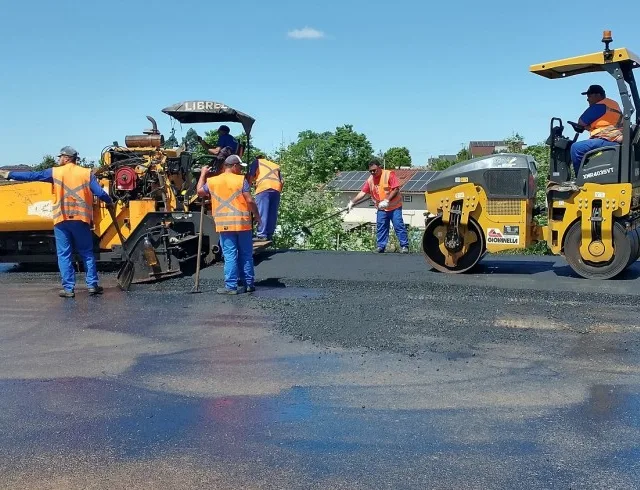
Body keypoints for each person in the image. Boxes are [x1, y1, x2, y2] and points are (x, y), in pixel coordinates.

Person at [0, 146, 115, 297]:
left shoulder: (54, 172)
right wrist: (110, 201)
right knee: (86, 253)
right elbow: (100, 192)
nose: (58, 159)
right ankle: (92, 285)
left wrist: (10, 175)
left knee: (64, 254)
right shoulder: (86, 173)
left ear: (66, 158)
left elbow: (33, 176)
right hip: (81, 219)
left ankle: (68, 289)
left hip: (62, 220)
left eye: (60, 157)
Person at [197, 154, 261, 294]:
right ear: (234, 166)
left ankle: (231, 287)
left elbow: (200, 192)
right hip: (243, 223)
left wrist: (203, 174)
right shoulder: (240, 180)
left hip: (225, 225)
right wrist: (257, 216)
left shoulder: (213, 181)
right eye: (239, 167)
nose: (240, 170)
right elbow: (249, 200)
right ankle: (249, 284)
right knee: (246, 254)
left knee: (230, 255)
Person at [347, 159, 409, 253]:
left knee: (398, 225)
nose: (372, 172)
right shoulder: (370, 180)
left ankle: (404, 246)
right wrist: (352, 202)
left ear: (379, 167)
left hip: (394, 207)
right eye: (370, 171)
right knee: (381, 227)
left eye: (374, 170)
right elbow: (363, 192)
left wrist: (387, 200)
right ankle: (381, 246)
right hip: (381, 208)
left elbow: (395, 189)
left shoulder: (389, 174)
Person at [570, 84, 623, 175]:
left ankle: (579, 179)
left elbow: (581, 122)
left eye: (589, 96)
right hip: (615, 138)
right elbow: (606, 125)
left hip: (607, 139)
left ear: (598, 95)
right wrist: (589, 128)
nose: (587, 99)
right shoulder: (613, 104)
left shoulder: (599, 106)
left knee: (576, 148)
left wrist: (584, 126)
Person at [247, 155, 283, 241]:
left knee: (262, 211)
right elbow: (282, 181)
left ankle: (261, 234)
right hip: (277, 189)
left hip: (264, 188)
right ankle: (269, 234)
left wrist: (246, 189)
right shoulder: (275, 165)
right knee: (272, 212)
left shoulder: (257, 162)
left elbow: (251, 176)